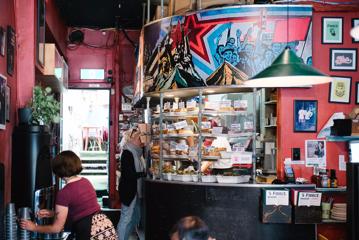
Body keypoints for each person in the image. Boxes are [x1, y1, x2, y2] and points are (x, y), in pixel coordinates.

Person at [20, 151, 118, 240]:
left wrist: (33, 227)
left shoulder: (64, 193)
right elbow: (81, 210)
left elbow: (56, 228)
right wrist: (53, 213)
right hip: (104, 226)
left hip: (90, 232)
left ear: (58, 171)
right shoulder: (85, 181)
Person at [117, 127, 146, 240]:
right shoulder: (127, 153)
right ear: (132, 140)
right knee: (126, 218)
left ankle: (124, 237)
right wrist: (143, 174)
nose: (141, 141)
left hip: (134, 190)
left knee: (135, 217)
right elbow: (129, 174)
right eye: (139, 138)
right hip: (129, 190)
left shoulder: (137, 153)